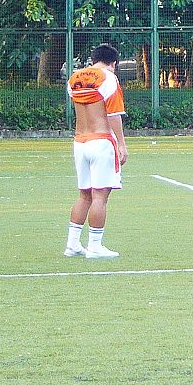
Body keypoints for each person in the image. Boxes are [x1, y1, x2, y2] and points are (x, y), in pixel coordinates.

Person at [64, 43, 128, 259]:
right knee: (100, 196)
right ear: (114, 63)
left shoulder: (74, 78)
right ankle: (94, 246)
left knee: (84, 195)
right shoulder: (109, 78)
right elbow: (113, 114)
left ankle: (72, 244)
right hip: (101, 141)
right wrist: (121, 144)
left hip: (80, 141)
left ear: (93, 59)